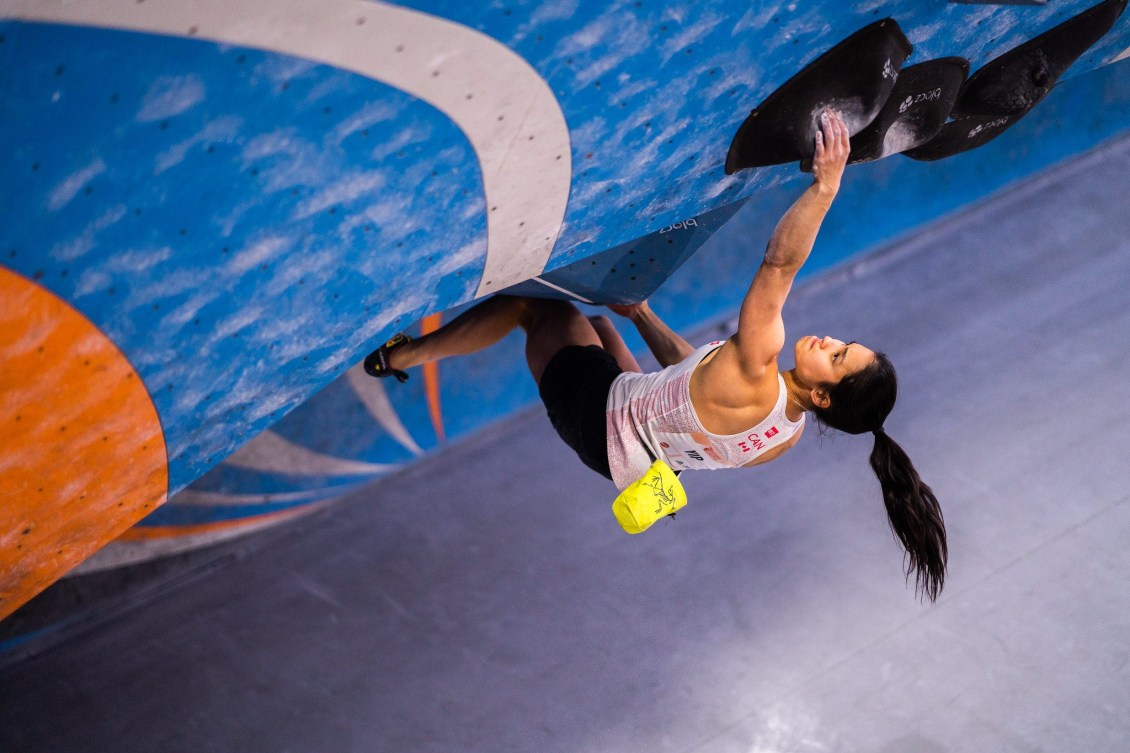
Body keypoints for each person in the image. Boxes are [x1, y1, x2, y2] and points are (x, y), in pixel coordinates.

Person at [365, 110, 947, 601]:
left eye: (838, 356)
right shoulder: (785, 435)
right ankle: (595, 330)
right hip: (633, 443)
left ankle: (400, 359)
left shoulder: (759, 360)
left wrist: (824, 187)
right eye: (846, 343)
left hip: (601, 416)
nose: (830, 341)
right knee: (595, 319)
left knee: (539, 310)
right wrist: (641, 314)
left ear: (822, 394)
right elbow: (696, 381)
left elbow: (778, 265)